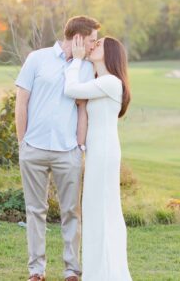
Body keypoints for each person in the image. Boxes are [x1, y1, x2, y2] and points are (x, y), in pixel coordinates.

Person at [15, 15, 99, 281]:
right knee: (35, 210)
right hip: (34, 148)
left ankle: (72, 269)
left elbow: (83, 109)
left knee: (71, 212)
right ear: (77, 38)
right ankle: (36, 270)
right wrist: (22, 143)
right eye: (92, 40)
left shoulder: (86, 68)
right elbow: (21, 102)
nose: (94, 46)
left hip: (67, 152)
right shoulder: (36, 59)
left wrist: (79, 146)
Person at [64, 35, 133, 281]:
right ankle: (97, 272)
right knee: (95, 211)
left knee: (103, 211)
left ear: (111, 54)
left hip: (104, 154)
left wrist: (77, 61)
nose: (94, 45)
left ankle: (108, 273)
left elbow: (70, 89)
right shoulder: (99, 81)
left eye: (99, 44)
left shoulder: (111, 82)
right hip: (97, 153)